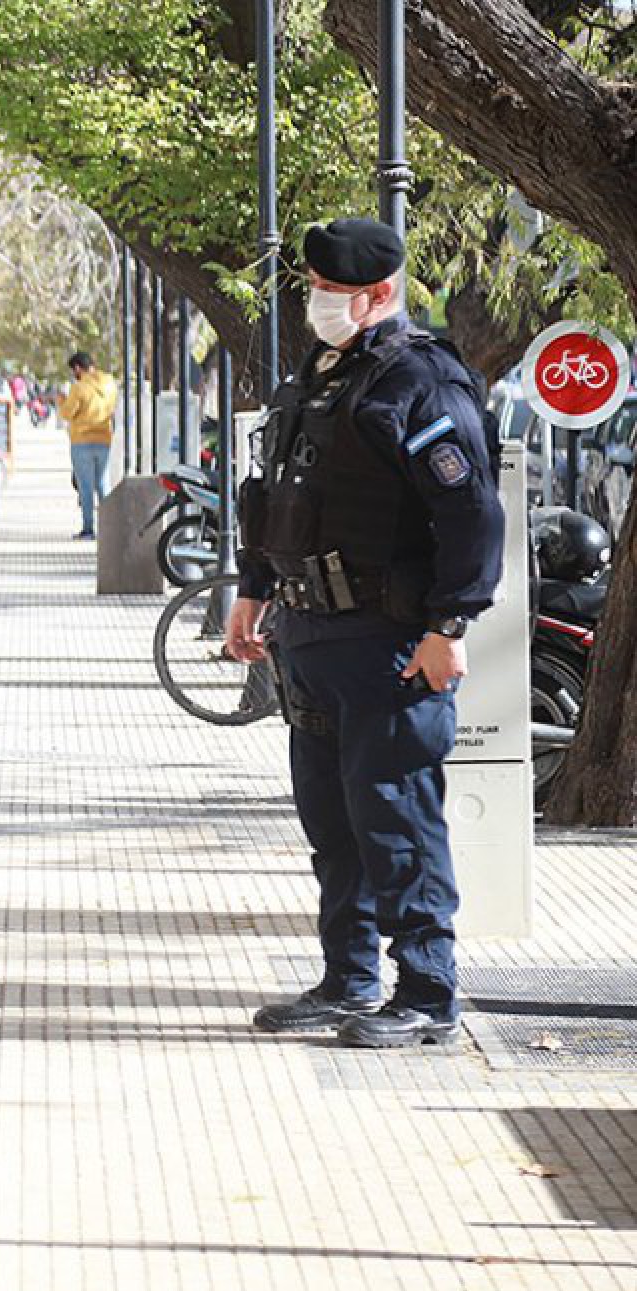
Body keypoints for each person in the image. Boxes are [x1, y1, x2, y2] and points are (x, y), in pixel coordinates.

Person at [227, 218, 505, 1049]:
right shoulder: (315, 376)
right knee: (332, 819)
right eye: (311, 287)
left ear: (379, 294)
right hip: (309, 632)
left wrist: (448, 624)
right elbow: (273, 494)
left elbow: (471, 514)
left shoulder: (419, 380)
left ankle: (427, 992)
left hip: (389, 638)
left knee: (395, 813)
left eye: (329, 290)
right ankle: (348, 977)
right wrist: (253, 590)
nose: (315, 302)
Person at [57, 352, 119, 539]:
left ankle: (88, 528)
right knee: (103, 483)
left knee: (85, 487)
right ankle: (109, 529)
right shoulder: (109, 384)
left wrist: (61, 401)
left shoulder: (79, 387)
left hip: (82, 441)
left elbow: (67, 414)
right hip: (104, 439)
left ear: (77, 368)